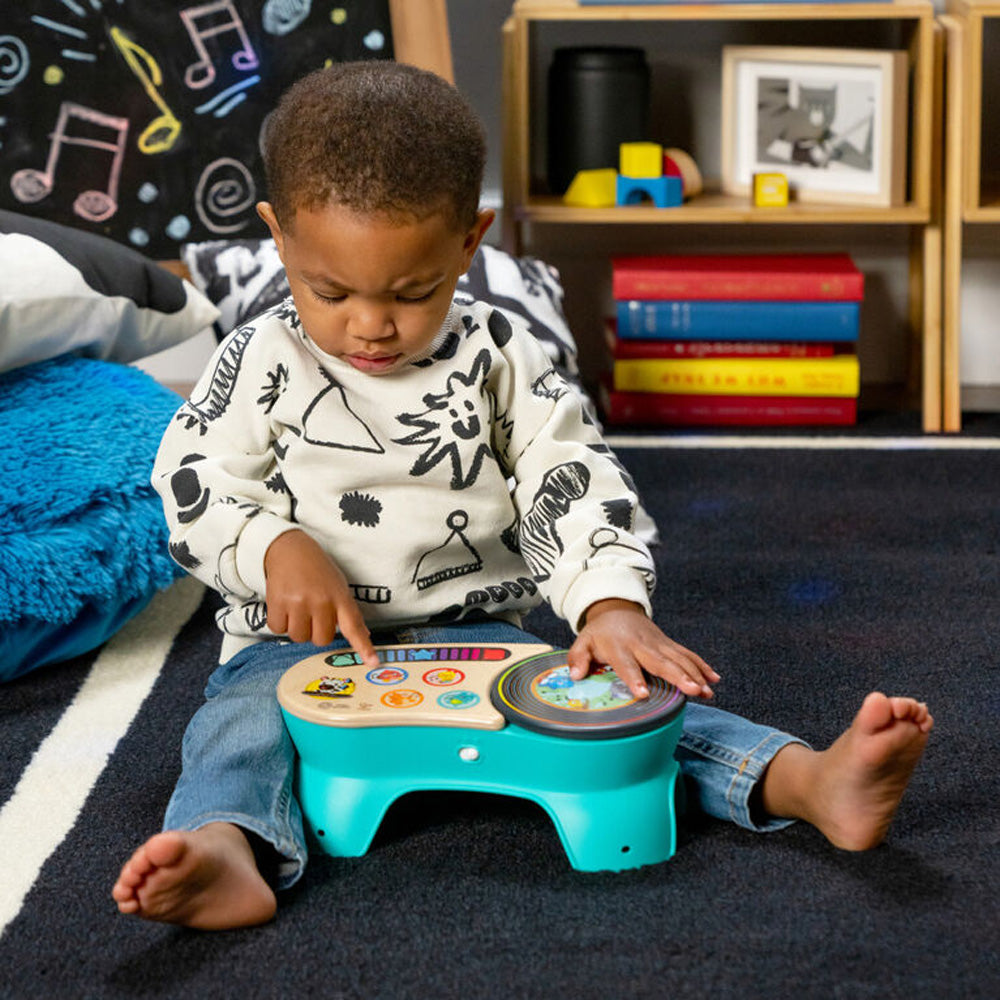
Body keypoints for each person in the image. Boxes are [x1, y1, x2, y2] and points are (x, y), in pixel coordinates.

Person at [112, 62, 933, 931]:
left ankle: (803, 781)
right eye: (332, 291)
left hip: (478, 642)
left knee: (629, 704)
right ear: (279, 239)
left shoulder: (502, 353)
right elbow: (192, 481)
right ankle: (224, 847)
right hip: (298, 650)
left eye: (413, 290)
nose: (372, 325)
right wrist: (274, 547)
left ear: (471, 241)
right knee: (238, 727)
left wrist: (609, 603)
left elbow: (565, 473)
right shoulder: (260, 359)